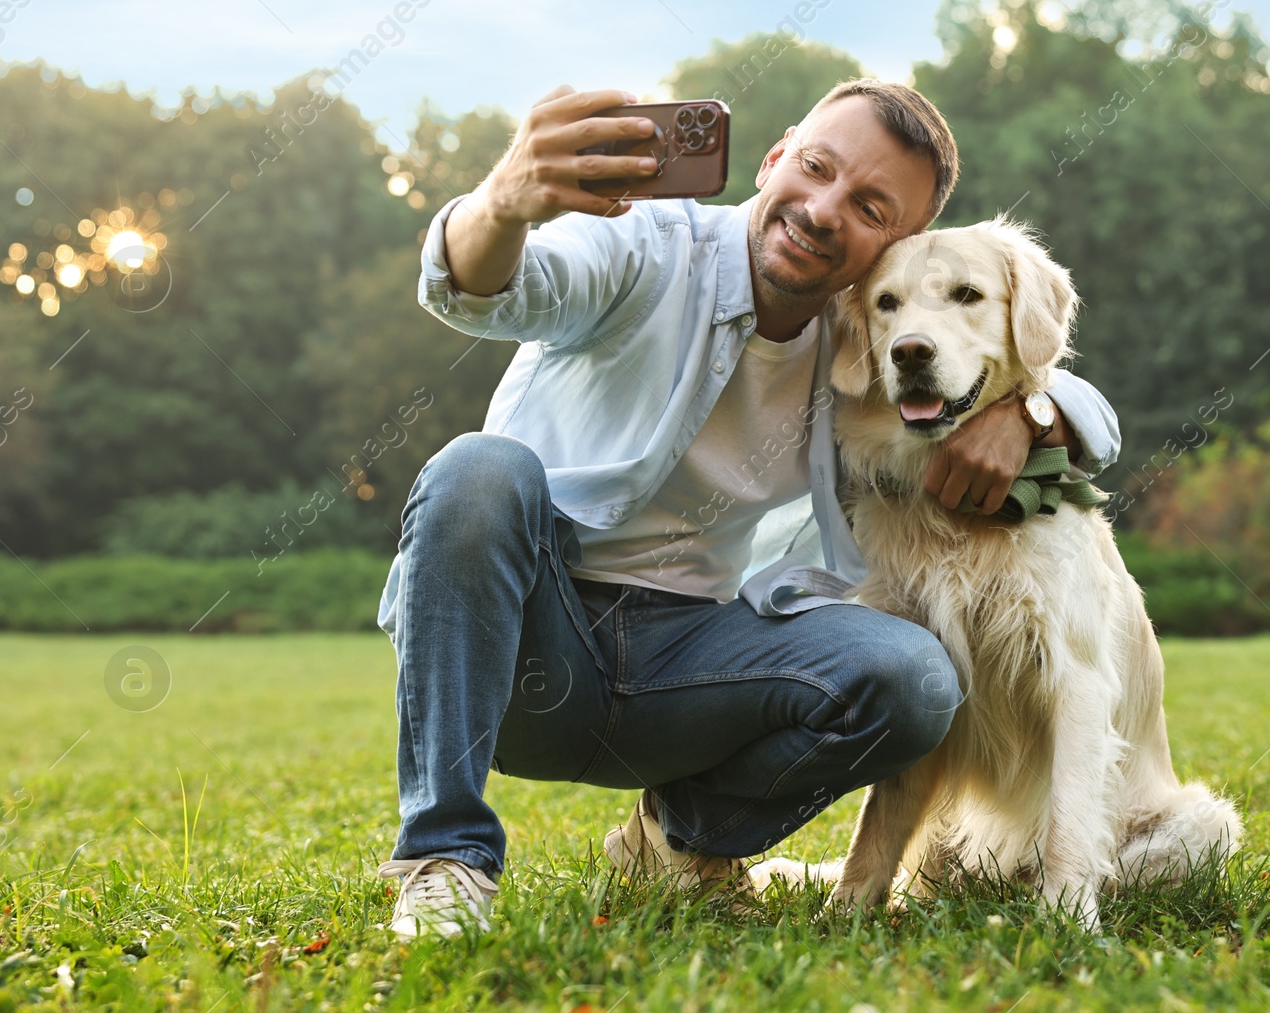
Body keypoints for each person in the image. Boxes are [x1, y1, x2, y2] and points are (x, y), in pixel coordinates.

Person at [373, 79, 1121, 937]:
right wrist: (505, 201)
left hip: (694, 665)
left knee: (915, 676)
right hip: (521, 654)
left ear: (897, 249)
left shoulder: (856, 347)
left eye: (870, 205)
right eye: (816, 167)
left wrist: (1027, 413)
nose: (826, 208)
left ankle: (678, 840)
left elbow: (1050, 376)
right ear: (775, 157)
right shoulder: (644, 243)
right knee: (480, 469)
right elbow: (483, 289)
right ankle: (446, 860)